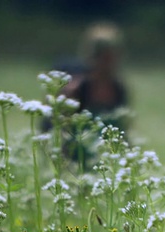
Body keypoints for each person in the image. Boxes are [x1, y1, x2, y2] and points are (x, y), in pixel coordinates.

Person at [42, 22, 130, 167]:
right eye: (106, 58)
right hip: (77, 162)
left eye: (114, 57)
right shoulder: (76, 90)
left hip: (106, 162)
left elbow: (123, 130)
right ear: (93, 58)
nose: (111, 63)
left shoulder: (118, 89)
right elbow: (56, 130)